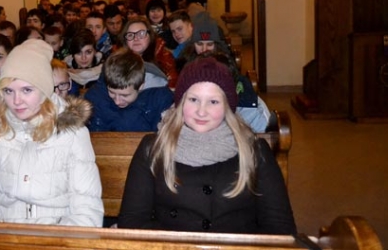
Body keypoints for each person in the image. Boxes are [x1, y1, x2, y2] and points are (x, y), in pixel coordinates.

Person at [118, 57, 296, 234]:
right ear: (181, 102)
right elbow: (133, 221)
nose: (201, 111)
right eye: (193, 99)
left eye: (213, 101)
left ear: (227, 106)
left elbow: (280, 227)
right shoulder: (153, 149)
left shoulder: (254, 151)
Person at [0, 39, 103, 226]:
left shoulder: (71, 131)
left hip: (58, 234)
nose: (16, 101)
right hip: (6, 233)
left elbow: (86, 208)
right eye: (8, 91)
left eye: (27, 90)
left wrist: (55, 240)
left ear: (44, 89)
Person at [85, 49, 173, 132]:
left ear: (141, 86)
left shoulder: (161, 100)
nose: (117, 101)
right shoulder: (95, 96)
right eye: (112, 92)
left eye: (125, 95)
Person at [121, 18, 178, 88]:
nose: (135, 38)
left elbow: (172, 86)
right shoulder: (118, 62)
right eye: (130, 35)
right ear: (125, 41)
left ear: (150, 36)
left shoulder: (164, 57)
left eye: (141, 34)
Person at [65, 29, 103, 93]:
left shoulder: (105, 72)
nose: (83, 58)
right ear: (73, 54)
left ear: (95, 51)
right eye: (79, 53)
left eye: (88, 52)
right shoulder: (63, 71)